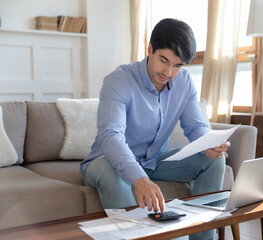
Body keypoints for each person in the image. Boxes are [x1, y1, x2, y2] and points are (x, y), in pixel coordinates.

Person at [80, 18, 230, 240]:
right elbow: (110, 137)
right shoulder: (118, 81)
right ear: (150, 48)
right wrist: (139, 179)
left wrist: (209, 144)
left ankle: (202, 238)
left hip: (154, 161)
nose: (168, 72)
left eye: (178, 65)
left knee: (215, 161)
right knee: (106, 168)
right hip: (107, 161)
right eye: (163, 60)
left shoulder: (185, 82)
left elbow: (195, 126)